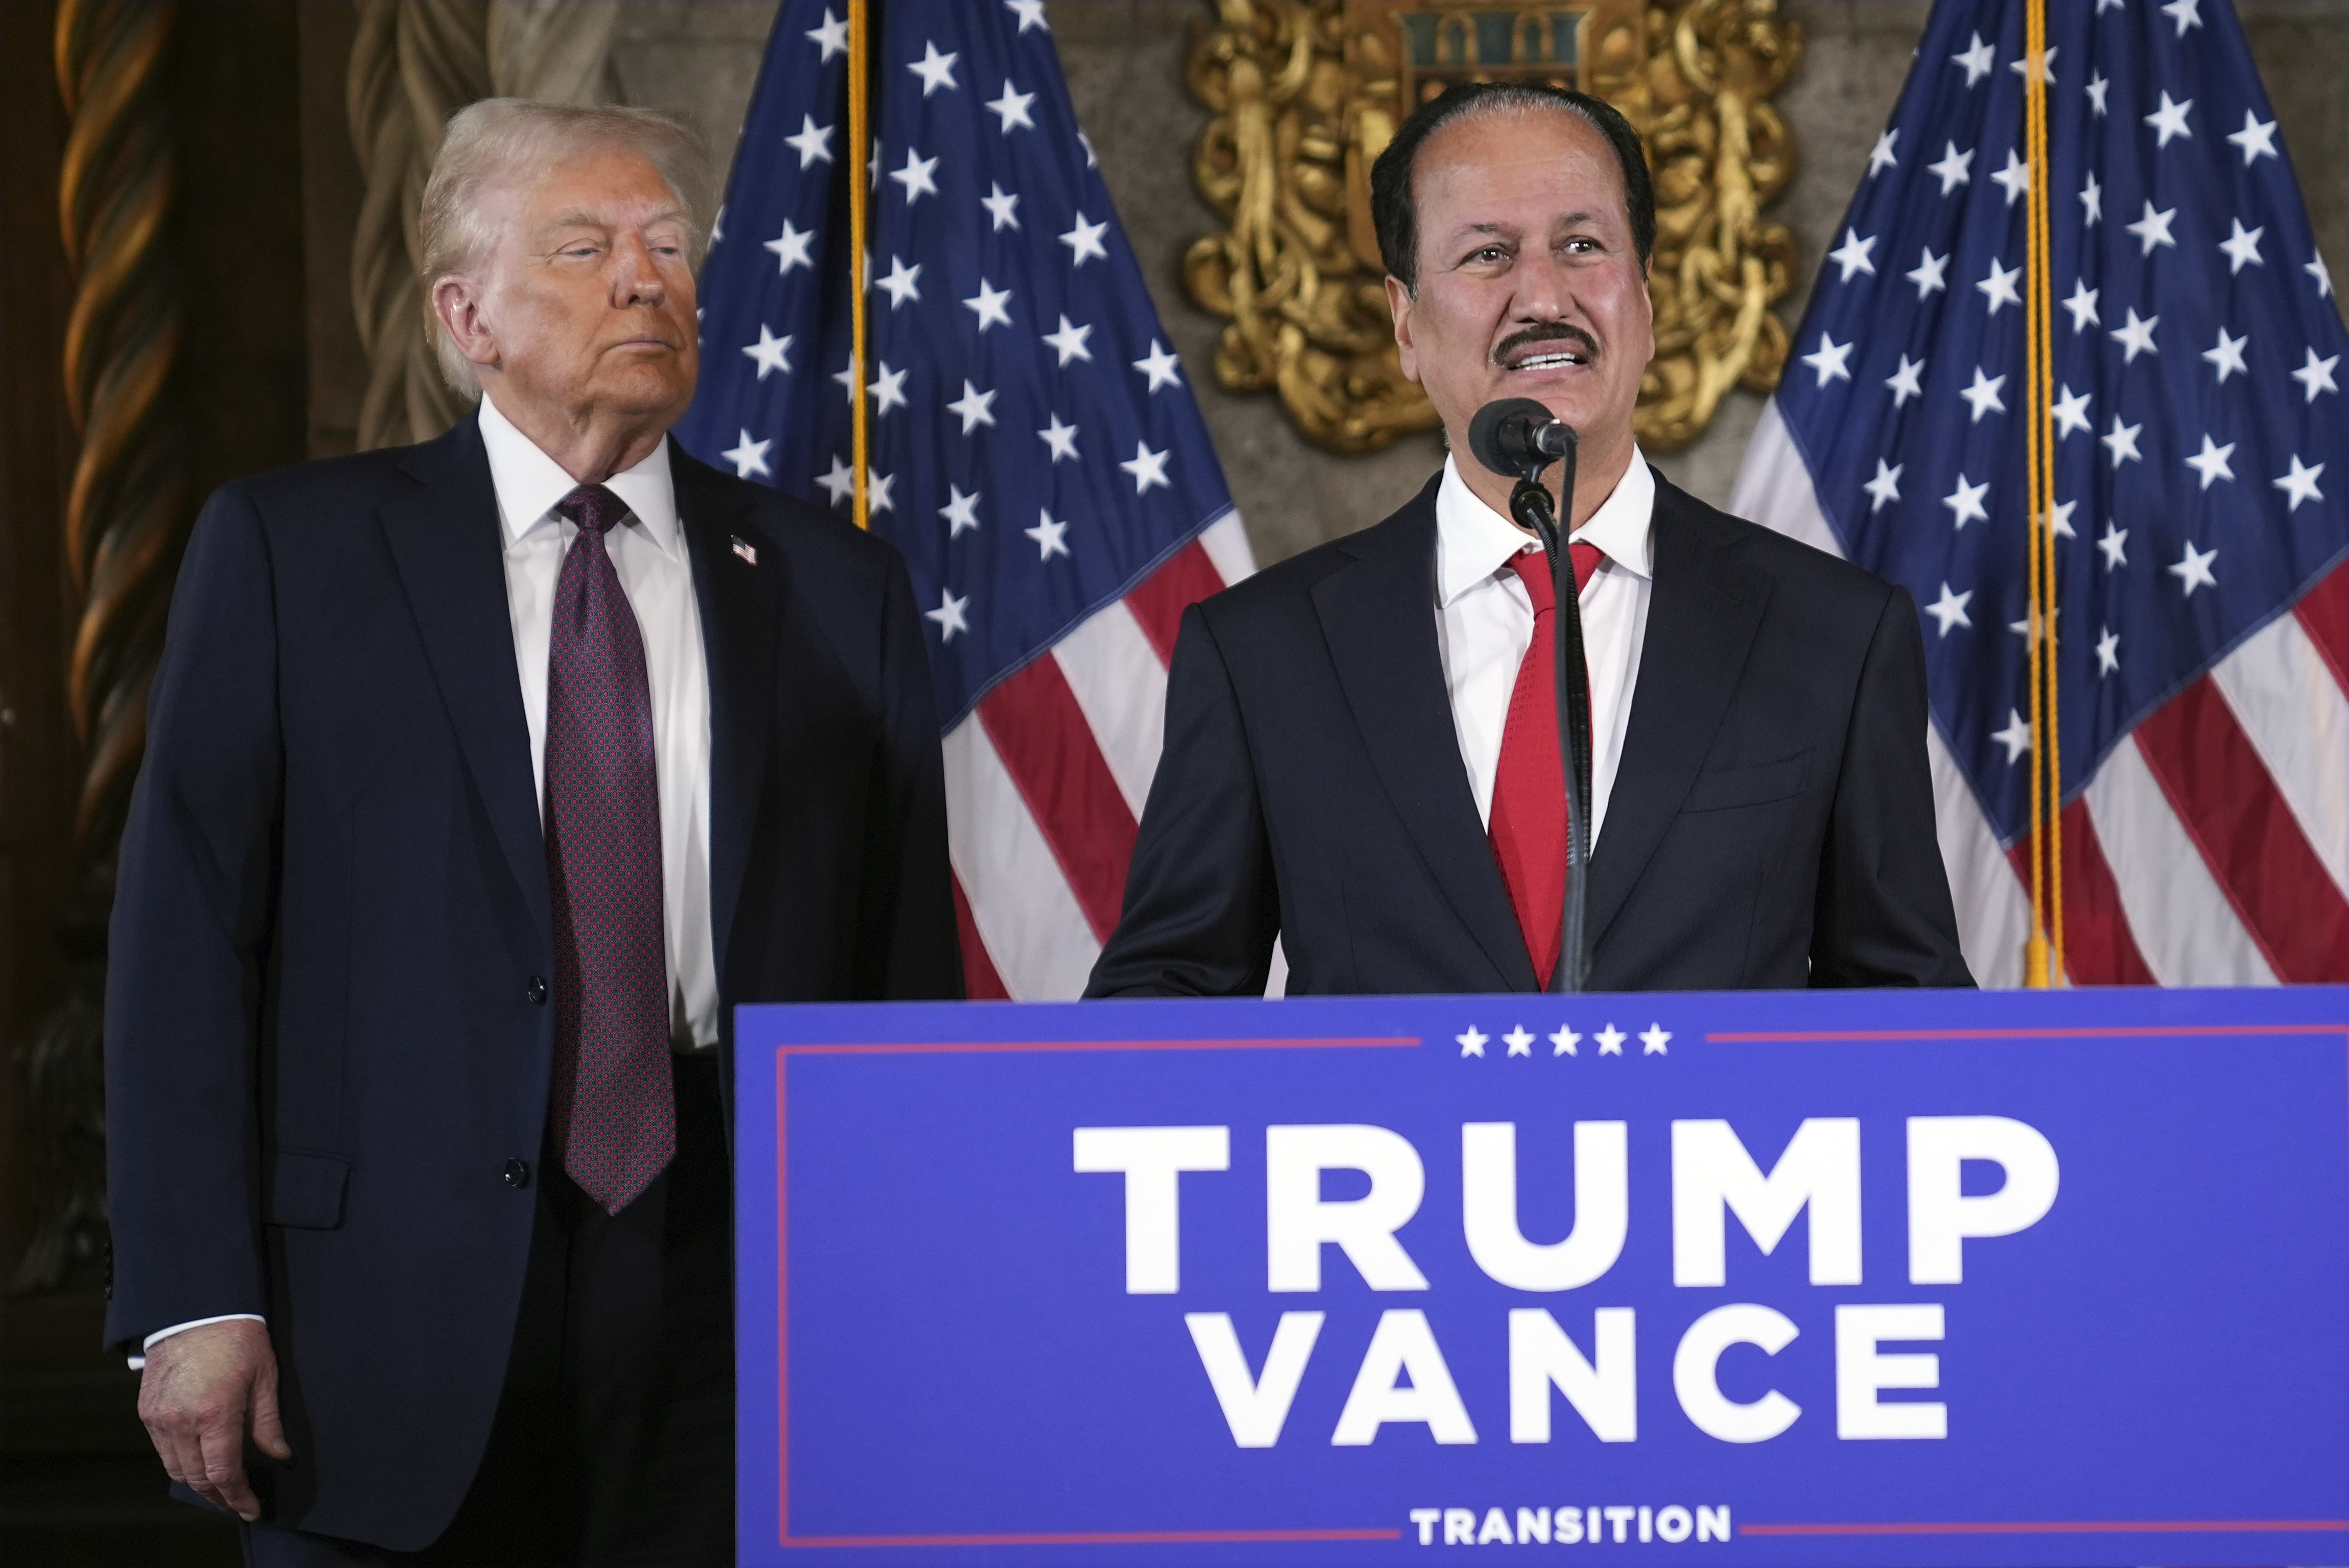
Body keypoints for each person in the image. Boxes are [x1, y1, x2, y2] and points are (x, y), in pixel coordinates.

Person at [104, 99, 960, 1565]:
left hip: (733, 1303)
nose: (649, 279)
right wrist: (193, 1299)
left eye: (671, 248)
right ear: (466, 316)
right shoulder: (292, 553)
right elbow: (184, 940)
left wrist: (905, 1299)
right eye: (585, 246)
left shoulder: (834, 583)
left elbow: (900, 977)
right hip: (369, 1317)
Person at [1087, 83, 1970, 998]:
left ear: (1645, 294)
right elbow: (1165, 1000)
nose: (1542, 295)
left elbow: (1906, 1009)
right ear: (1405, 323)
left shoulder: (1833, 634)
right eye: (1487, 254)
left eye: (1582, 246)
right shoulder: (1261, 652)